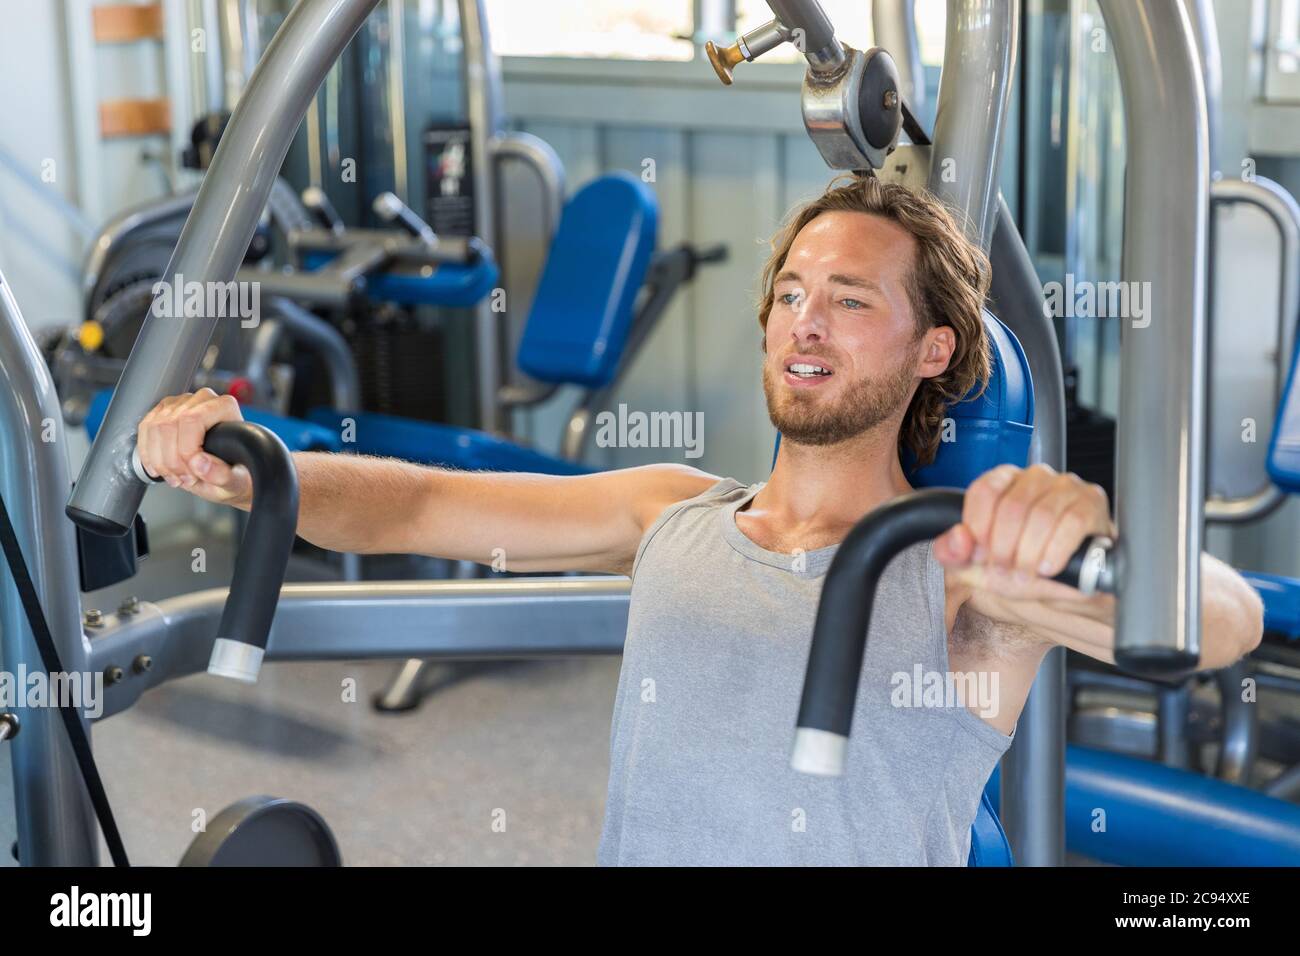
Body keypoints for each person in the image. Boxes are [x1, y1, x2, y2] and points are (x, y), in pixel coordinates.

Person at [135, 174, 1264, 865]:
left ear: (934, 352)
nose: (804, 322)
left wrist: (1078, 540)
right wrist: (259, 472)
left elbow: (1226, 621)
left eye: (851, 299)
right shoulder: (671, 507)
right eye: (790, 294)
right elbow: (425, 500)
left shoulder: (957, 569)